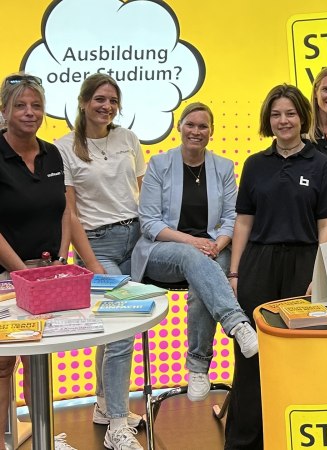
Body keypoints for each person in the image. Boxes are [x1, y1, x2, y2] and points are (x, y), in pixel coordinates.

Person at [226, 84, 327, 449]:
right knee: (251, 355)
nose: (283, 120)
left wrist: (318, 273)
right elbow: (243, 221)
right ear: (268, 120)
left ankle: (295, 438)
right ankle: (246, 440)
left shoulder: (322, 165)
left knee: (301, 354)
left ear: (302, 117)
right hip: (259, 263)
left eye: (290, 113)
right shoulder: (255, 165)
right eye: (276, 114)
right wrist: (234, 272)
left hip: (303, 264)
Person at [131, 103, 259, 409]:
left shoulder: (224, 167)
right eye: (190, 125)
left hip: (213, 250)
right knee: (196, 261)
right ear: (179, 127)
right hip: (162, 251)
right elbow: (149, 222)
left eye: (203, 126)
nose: (196, 131)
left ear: (211, 132)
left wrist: (217, 243)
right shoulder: (159, 165)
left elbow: (232, 217)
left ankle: (198, 367)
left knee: (203, 279)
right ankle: (237, 323)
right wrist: (193, 242)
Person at [55, 73, 147, 450]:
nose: (106, 106)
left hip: (136, 238)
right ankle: (117, 424)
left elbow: (141, 191)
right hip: (97, 245)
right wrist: (91, 265)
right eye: (99, 99)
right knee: (122, 327)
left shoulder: (127, 139)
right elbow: (70, 214)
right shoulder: (64, 148)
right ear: (83, 102)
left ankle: (104, 405)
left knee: (115, 331)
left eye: (112, 100)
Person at [0, 72, 74, 450]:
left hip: (46, 276)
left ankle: (43, 435)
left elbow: (63, 209)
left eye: (36, 105)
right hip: (5, 280)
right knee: (2, 365)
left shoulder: (53, 153)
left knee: (37, 357)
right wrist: (20, 272)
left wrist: (60, 259)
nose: (30, 113)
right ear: (4, 111)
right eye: (20, 106)